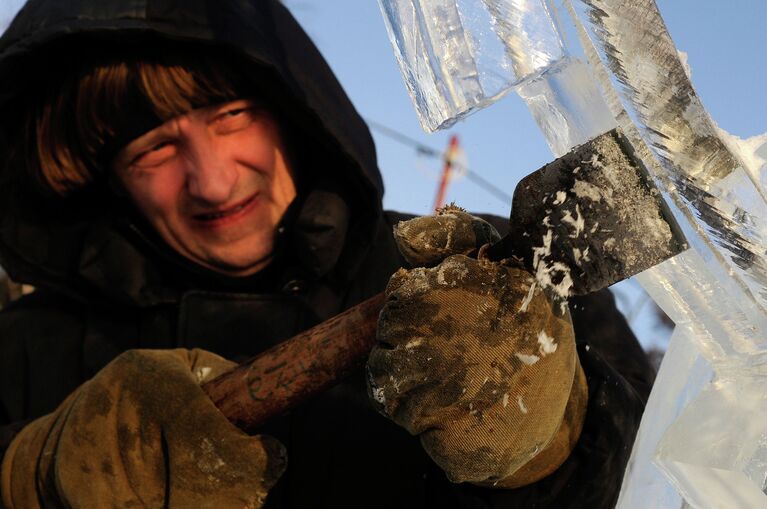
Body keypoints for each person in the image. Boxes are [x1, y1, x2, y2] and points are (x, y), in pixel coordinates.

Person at [0, 0, 655, 507]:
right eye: (153, 151)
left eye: (230, 115)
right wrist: (27, 479)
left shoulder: (488, 275)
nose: (213, 179)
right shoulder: (25, 348)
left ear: (292, 109)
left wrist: (550, 446)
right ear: (106, 178)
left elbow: (653, 477)